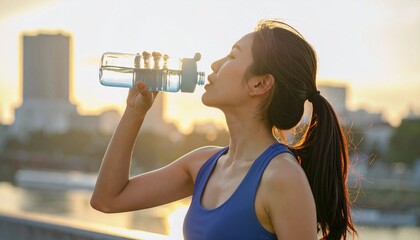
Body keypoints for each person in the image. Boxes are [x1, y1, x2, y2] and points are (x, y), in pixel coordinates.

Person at [91, 19, 358, 240]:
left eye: (232, 55)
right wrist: (135, 112)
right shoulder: (203, 164)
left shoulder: (282, 177)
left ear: (259, 84)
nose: (216, 64)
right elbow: (107, 199)